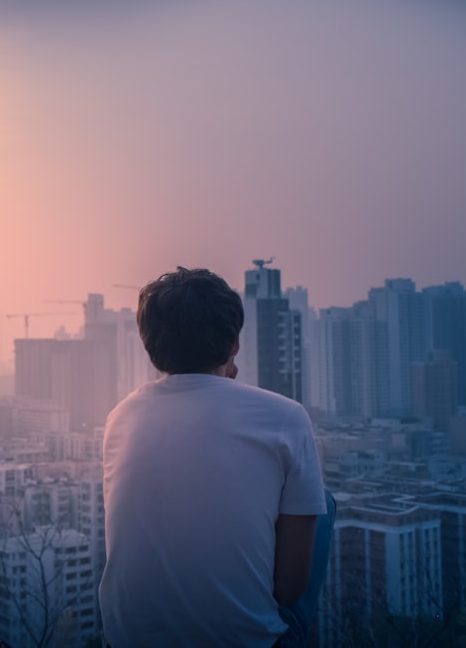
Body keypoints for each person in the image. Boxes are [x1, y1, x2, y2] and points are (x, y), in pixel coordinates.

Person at [98, 267, 334, 648]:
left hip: (123, 641)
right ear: (234, 344)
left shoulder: (120, 417)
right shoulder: (286, 416)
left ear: (149, 347)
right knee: (324, 503)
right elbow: (289, 591)